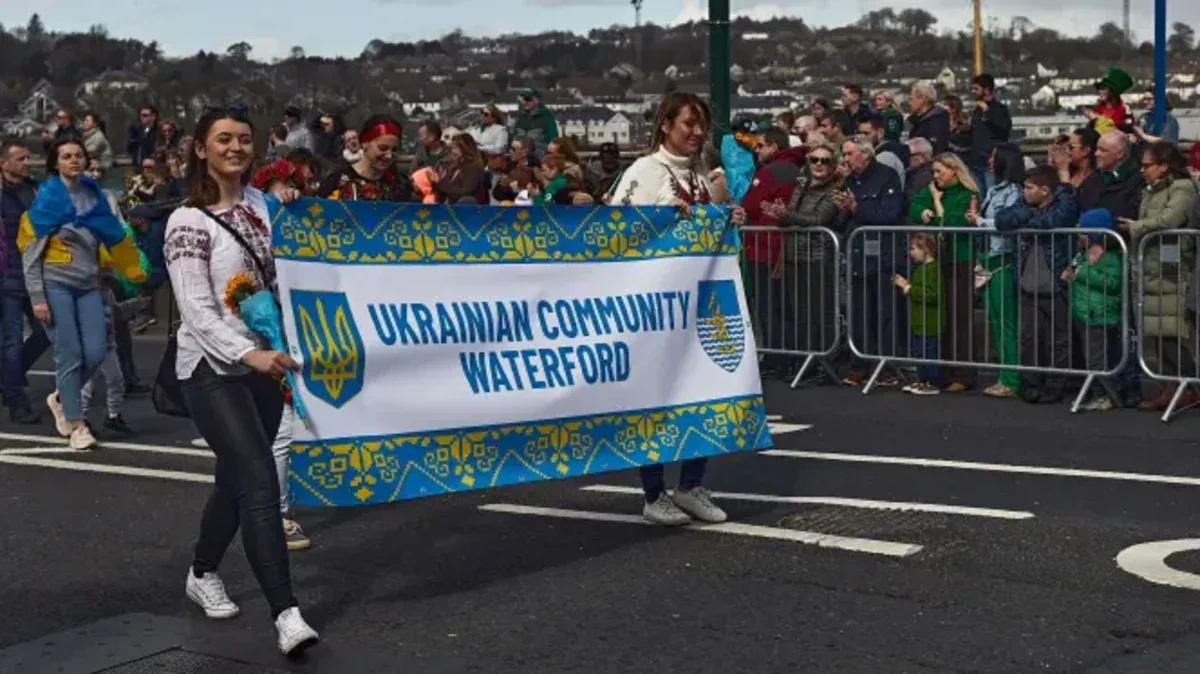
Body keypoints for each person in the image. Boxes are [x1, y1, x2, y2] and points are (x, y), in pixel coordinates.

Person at [164, 108, 319, 654]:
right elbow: (197, 310)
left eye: (245, 139)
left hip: (267, 365)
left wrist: (299, 212)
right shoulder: (188, 221)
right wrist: (246, 353)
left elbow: (296, 270)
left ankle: (202, 571)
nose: (235, 148)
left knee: (235, 479)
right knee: (258, 481)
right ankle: (287, 614)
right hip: (213, 370)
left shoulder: (264, 205)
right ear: (200, 149)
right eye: (223, 139)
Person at [610, 91, 746, 526]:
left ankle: (691, 484)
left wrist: (726, 217)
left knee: (702, 391)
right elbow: (613, 228)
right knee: (654, 398)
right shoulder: (644, 171)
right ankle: (654, 493)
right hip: (654, 308)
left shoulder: (701, 176)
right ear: (666, 125)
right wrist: (657, 216)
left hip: (698, 307)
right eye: (689, 123)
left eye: (702, 124)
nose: (698, 132)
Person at [18, 138, 145, 449]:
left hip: (89, 285)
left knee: (97, 352)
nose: (73, 160)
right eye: (66, 156)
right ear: (55, 163)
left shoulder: (95, 196)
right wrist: (37, 297)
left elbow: (114, 236)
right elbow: (31, 253)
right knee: (70, 353)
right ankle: (76, 425)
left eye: (78, 155)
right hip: (55, 284)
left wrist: (131, 269)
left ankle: (63, 397)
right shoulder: (47, 199)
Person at [1119, 142, 1199, 411]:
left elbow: (1169, 219)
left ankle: (1186, 387)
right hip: (1151, 268)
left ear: (1164, 166)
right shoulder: (1150, 190)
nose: (1143, 171)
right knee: (1156, 334)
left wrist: (1135, 227)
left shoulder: (1183, 188)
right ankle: (1171, 386)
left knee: (1172, 333)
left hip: (1172, 270)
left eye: (1148, 166)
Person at [995, 166, 1080, 404]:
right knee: (1028, 337)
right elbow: (1002, 220)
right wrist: (1027, 215)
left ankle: (1056, 384)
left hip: (1056, 281)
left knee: (1059, 338)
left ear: (1044, 191)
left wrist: (1025, 221)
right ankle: (1030, 383)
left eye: (1029, 188)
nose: (1024, 191)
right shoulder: (1024, 204)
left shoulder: (1065, 203)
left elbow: (1053, 221)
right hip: (1027, 281)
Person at [763, 142, 843, 372]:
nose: (818, 164)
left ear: (833, 166)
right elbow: (790, 220)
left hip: (817, 257)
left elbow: (818, 220)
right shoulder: (801, 185)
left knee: (821, 312)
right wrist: (780, 214)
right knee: (800, 312)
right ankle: (805, 360)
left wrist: (786, 214)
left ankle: (825, 362)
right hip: (793, 255)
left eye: (824, 161)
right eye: (814, 160)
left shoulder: (834, 190)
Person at [908, 153, 979, 392]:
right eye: (934, 171)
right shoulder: (932, 189)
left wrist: (937, 206)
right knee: (942, 317)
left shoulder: (968, 194)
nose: (935, 176)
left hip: (960, 259)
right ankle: (942, 371)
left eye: (940, 171)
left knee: (960, 318)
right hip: (940, 259)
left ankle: (963, 373)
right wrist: (924, 212)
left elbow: (954, 223)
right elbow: (915, 204)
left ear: (954, 170)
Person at [838, 136, 906, 387]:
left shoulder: (887, 176)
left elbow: (890, 214)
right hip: (857, 255)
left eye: (849, 154)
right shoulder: (849, 180)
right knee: (859, 314)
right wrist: (843, 210)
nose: (845, 159)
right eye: (844, 154)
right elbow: (841, 222)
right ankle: (859, 365)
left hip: (883, 256)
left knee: (885, 314)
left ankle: (886, 367)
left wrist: (857, 208)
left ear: (865, 154)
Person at [741, 128, 806, 373]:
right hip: (784, 244)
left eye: (761, 146)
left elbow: (749, 204)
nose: (757, 151)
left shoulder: (770, 172)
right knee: (785, 305)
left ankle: (775, 357)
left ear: (774, 147)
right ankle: (787, 355)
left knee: (768, 305)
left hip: (764, 245)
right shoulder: (796, 168)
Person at [967, 143, 1024, 398]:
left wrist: (979, 221)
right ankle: (1005, 374)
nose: (989, 161)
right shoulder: (993, 190)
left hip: (1004, 258)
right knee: (996, 321)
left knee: (1006, 322)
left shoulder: (1014, 192)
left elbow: (1007, 223)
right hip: (989, 258)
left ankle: (1011, 377)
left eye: (993, 157)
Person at [0, 138, 46, 424]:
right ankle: (17, 401)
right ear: (4, 163)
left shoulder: (35, 191)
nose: (27, 163)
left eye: (28, 158)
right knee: (11, 341)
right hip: (7, 277)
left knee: (46, 333)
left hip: (34, 275)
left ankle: (9, 378)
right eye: (21, 159)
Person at [1063, 209, 1125, 411]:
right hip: (1084, 312)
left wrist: (1082, 273)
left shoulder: (1111, 257)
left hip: (1098, 314)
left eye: (1083, 232)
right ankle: (1101, 393)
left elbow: (1112, 284)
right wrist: (1071, 274)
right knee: (1091, 357)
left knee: (1097, 359)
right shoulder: (1082, 254)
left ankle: (1107, 395)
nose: (1078, 236)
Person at [891, 233, 944, 395]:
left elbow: (933, 294)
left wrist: (908, 288)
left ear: (925, 249)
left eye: (913, 248)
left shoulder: (933, 269)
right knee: (919, 352)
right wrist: (905, 284)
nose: (910, 252)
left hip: (930, 321)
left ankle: (932, 383)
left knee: (929, 353)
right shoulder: (921, 269)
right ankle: (922, 380)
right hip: (919, 321)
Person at [318, 115, 413, 202]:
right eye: (383, 148)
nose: (389, 155)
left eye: (394, 150)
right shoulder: (337, 181)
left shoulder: (400, 185)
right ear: (364, 143)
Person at [968, 74, 1012, 199]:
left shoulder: (1000, 109)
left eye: (976, 89)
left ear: (986, 90)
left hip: (990, 162)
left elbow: (1004, 129)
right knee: (979, 198)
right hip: (975, 161)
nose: (973, 92)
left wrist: (988, 112)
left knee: (992, 197)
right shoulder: (977, 110)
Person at [431, 134, 486, 204]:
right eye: (452, 148)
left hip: (466, 208)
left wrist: (441, 183)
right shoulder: (454, 166)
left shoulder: (474, 167)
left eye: (455, 148)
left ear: (465, 149)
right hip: (449, 205)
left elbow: (465, 192)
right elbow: (445, 188)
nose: (452, 151)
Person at [857, 116, 907, 185]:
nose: (861, 137)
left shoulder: (888, 154)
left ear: (880, 133)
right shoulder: (873, 152)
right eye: (859, 133)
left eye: (866, 133)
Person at [513, 89, 560, 157]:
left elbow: (554, 142)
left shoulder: (547, 117)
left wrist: (532, 145)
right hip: (519, 156)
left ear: (537, 101)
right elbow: (514, 135)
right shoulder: (520, 118)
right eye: (523, 100)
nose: (524, 102)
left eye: (528, 99)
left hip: (539, 157)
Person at [908, 81, 950, 155]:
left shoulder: (936, 121)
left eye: (911, 99)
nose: (909, 103)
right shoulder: (918, 120)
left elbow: (938, 150)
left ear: (922, 99)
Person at [941, 95, 973, 166]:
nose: (942, 107)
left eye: (945, 105)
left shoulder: (965, 123)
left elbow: (965, 143)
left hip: (963, 161)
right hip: (947, 159)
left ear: (954, 108)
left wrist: (956, 128)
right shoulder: (942, 120)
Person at [905, 137, 935, 202]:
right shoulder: (912, 172)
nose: (904, 156)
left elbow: (908, 200)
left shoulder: (924, 177)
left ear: (921, 158)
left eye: (908, 154)